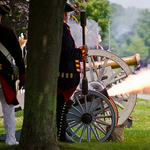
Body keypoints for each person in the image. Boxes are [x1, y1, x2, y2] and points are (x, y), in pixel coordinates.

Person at [57, 3, 88, 142]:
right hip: (65, 77)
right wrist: (82, 51)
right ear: (64, 14)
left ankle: (61, 135)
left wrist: (80, 55)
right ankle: (61, 136)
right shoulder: (62, 29)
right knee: (62, 107)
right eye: (67, 13)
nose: (67, 16)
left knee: (63, 107)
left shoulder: (63, 29)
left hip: (66, 76)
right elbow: (68, 53)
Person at [0, 5, 26, 145]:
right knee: (8, 109)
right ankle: (10, 139)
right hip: (5, 78)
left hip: (5, 78)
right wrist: (23, 77)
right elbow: (18, 57)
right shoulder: (8, 33)